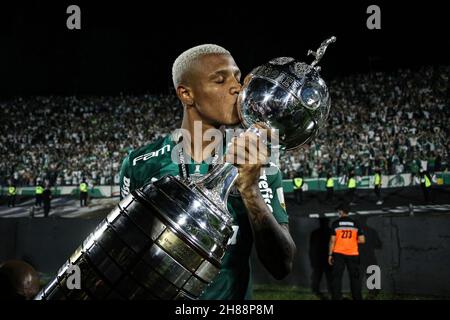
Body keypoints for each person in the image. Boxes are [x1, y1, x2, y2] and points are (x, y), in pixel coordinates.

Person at [119, 44, 296, 300]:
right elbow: (125, 256)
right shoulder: (140, 164)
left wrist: (250, 191)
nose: (237, 87)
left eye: (237, 76)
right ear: (187, 94)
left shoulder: (259, 161)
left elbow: (282, 266)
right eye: (220, 80)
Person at [328, 203, 365, 300]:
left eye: (338, 210)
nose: (337, 212)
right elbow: (362, 240)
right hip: (353, 254)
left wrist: (330, 255)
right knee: (355, 278)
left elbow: (332, 241)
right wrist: (352, 241)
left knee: (337, 278)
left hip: (338, 254)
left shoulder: (335, 223)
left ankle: (336, 298)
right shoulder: (355, 223)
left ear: (341, 211)